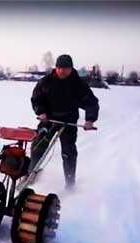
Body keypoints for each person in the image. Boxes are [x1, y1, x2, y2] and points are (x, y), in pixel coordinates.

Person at [29, 54, 99, 189]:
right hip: (48, 119)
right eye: (60, 68)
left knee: (69, 152)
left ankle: (70, 183)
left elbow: (91, 102)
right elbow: (36, 98)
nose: (62, 71)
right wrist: (41, 112)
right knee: (38, 146)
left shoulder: (78, 84)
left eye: (66, 68)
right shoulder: (46, 81)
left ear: (71, 69)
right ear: (56, 68)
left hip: (69, 121)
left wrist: (90, 119)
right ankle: (31, 174)